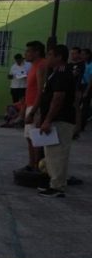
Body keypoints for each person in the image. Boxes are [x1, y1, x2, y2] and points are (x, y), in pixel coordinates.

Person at [34, 45, 76, 198]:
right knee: (51, 154)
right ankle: (55, 182)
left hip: (60, 120)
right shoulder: (55, 73)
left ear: (59, 57)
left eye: (50, 55)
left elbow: (58, 98)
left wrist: (48, 120)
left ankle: (57, 187)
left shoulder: (62, 73)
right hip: (55, 119)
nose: (48, 58)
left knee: (57, 154)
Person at [23, 41, 48, 171]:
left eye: (28, 51)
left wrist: (33, 112)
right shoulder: (33, 66)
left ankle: (37, 166)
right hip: (30, 105)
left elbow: (41, 91)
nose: (25, 54)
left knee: (36, 139)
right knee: (29, 137)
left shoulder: (41, 65)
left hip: (36, 106)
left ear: (37, 52)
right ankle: (31, 164)